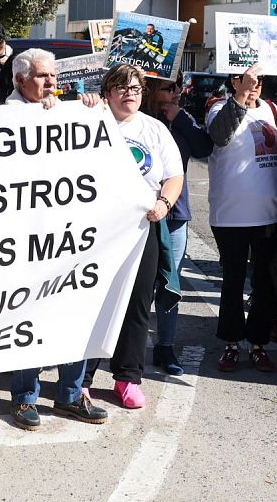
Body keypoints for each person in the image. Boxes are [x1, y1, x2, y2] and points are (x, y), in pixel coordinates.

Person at [5, 48, 109, 428]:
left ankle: (70, 395)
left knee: (75, 313)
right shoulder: (0, 117)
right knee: (28, 318)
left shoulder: (67, 111)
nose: (51, 83)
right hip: (25, 241)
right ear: (20, 80)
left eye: (53, 77)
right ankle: (24, 397)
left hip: (68, 237)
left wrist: (88, 109)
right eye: (42, 77)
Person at [94, 64, 182, 409]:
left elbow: (173, 176)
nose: (129, 93)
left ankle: (127, 377)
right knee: (96, 301)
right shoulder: (91, 123)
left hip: (143, 228)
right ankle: (82, 379)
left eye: (135, 88)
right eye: (121, 88)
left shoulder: (155, 129)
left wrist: (164, 203)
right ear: (108, 93)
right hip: (100, 229)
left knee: (137, 305)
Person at [204, 64, 277, 375]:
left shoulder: (271, 110)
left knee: (265, 283)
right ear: (233, 80)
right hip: (231, 216)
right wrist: (239, 97)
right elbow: (220, 136)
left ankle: (258, 343)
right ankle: (230, 342)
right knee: (233, 281)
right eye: (244, 79)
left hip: (270, 213)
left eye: (257, 80)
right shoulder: (218, 108)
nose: (253, 85)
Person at [142, 77, 213, 375]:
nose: (175, 93)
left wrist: (180, 118)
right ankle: (125, 347)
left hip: (176, 212)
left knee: (170, 283)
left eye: (177, 88)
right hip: (140, 213)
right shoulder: (136, 119)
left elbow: (203, 147)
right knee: (138, 285)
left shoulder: (179, 118)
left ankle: (165, 346)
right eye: (168, 88)